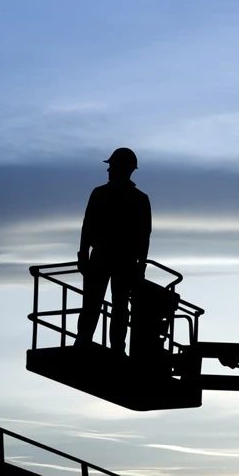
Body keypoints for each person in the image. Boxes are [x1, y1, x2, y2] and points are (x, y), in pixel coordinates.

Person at [75, 147, 151, 353]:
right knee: (109, 306)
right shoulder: (138, 199)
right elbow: (87, 226)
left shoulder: (104, 194)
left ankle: (91, 343)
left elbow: (144, 235)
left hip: (111, 258)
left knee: (103, 305)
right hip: (117, 260)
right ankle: (111, 347)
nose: (109, 171)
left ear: (121, 169)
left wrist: (83, 256)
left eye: (112, 167)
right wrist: (140, 266)